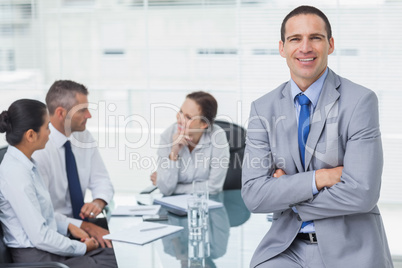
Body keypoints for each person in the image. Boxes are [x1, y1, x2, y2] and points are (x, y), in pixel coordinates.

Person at [241, 5, 393, 268]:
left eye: (315, 37)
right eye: (295, 39)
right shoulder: (262, 108)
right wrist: (321, 178)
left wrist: (289, 195)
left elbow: (363, 193)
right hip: (286, 248)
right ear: (282, 48)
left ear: (330, 44)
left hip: (351, 249)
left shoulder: (360, 101)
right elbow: (254, 195)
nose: (305, 47)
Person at [0, 99, 117, 267]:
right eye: (47, 127)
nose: (50, 132)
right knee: (110, 262)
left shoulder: (27, 165)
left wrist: (68, 225)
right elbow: (40, 236)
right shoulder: (16, 174)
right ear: (31, 135)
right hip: (37, 257)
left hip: (50, 247)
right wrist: (81, 247)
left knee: (115, 252)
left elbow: (41, 213)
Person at [33, 80, 114, 248]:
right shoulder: (39, 150)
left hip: (83, 224)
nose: (89, 116)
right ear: (61, 113)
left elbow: (102, 179)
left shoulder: (84, 137)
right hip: (58, 232)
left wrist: (98, 201)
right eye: (82, 110)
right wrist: (84, 227)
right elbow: (40, 212)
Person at [150, 91, 230, 196]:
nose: (179, 119)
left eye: (188, 117)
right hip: (173, 206)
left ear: (204, 124)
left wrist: (175, 188)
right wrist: (174, 152)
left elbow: (214, 187)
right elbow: (165, 190)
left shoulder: (217, 136)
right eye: (181, 112)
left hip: (206, 204)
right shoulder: (167, 136)